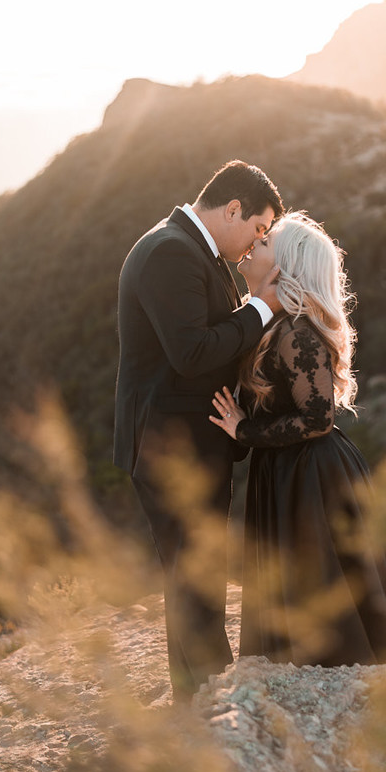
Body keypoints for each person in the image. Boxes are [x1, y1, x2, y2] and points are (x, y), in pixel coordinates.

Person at [210, 212, 386, 669]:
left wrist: (244, 430)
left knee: (328, 597)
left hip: (314, 476)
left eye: (265, 242)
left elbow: (318, 419)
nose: (254, 244)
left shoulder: (296, 333)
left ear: (284, 267)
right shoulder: (273, 325)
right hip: (290, 471)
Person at [113, 160, 284, 701]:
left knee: (193, 578)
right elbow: (191, 353)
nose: (256, 243)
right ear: (232, 208)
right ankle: (217, 701)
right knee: (196, 581)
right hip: (171, 448)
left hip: (190, 441)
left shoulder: (190, 248)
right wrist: (264, 306)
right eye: (258, 229)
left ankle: (195, 696)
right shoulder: (170, 252)